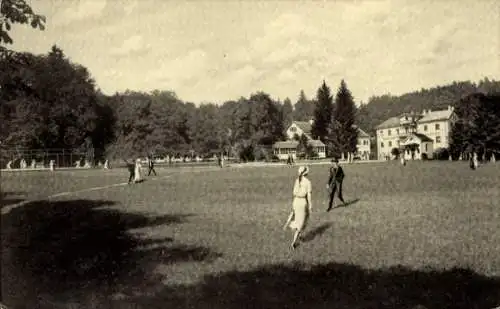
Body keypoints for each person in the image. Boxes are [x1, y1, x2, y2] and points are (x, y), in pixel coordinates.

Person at [283, 166, 312, 250]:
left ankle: (288, 225)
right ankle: (294, 242)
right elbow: (309, 195)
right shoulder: (308, 182)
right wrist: (310, 205)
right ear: (306, 173)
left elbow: (294, 192)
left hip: (296, 201)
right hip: (303, 202)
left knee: (294, 214)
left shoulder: (297, 181)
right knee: (302, 221)